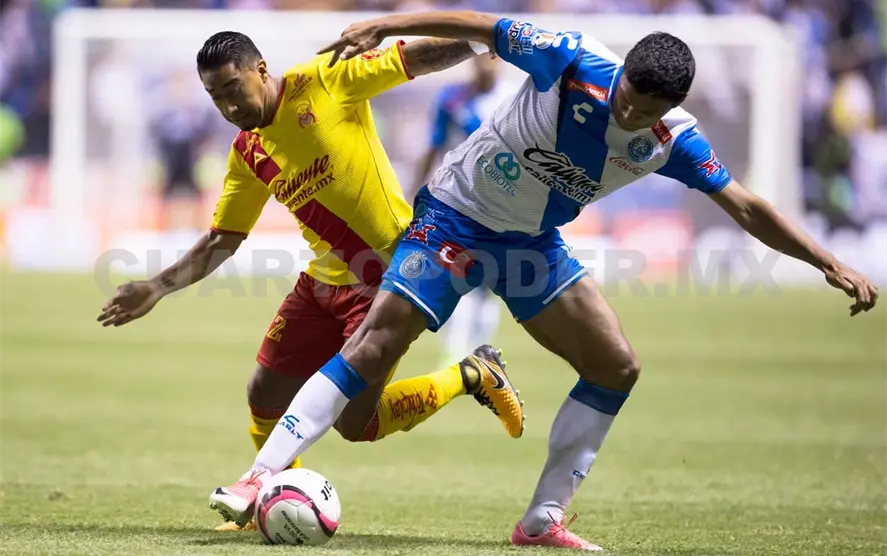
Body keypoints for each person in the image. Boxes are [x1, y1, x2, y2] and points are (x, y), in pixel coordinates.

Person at [209, 11, 879, 550]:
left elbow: (746, 206)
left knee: (615, 366)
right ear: (621, 75)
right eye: (625, 97)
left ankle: (541, 520)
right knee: (373, 344)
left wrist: (828, 262)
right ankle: (258, 476)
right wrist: (388, 25)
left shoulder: (673, 142)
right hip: (454, 217)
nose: (626, 114)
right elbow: (485, 27)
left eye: (643, 110)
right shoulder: (573, 59)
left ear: (672, 105)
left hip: (530, 243)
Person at [96, 30, 525, 530]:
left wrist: (481, 40)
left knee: (356, 424)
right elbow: (221, 240)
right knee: (264, 392)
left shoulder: (323, 82)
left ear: (260, 70)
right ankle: (266, 502)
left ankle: (472, 373)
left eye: (233, 89)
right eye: (215, 97)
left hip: (387, 278)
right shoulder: (248, 152)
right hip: (321, 283)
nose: (229, 107)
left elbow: (415, 58)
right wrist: (155, 287)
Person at [416, 54, 510, 364]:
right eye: (481, 56)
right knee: (458, 277)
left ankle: (481, 359)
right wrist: (414, 191)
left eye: (493, 57)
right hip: (457, 201)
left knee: (487, 285)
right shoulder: (452, 99)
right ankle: (454, 358)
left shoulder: (513, 99)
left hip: (503, 205)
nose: (486, 63)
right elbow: (435, 145)